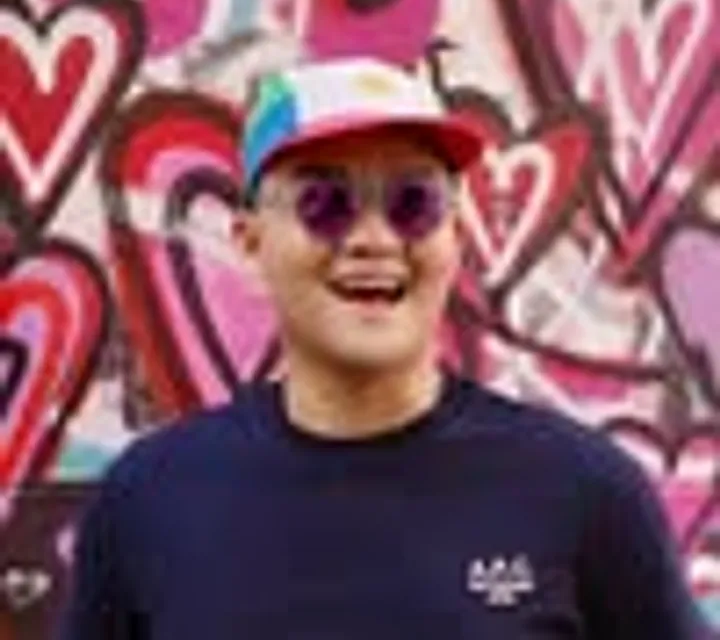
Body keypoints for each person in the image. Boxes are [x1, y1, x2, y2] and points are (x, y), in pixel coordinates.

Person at [60, 57, 707, 639]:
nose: (374, 239)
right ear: (250, 243)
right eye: (324, 204)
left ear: (456, 239)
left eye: (413, 203)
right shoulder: (152, 500)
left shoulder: (582, 491)